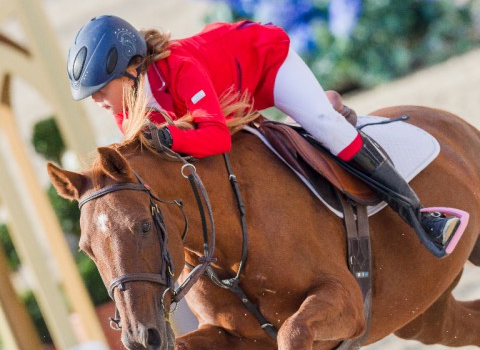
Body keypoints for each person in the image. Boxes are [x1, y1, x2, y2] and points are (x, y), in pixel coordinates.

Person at [67, 15, 464, 256]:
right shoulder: (127, 111)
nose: (98, 99)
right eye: (92, 95)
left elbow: (216, 138)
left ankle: (420, 214)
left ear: (134, 67)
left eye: (101, 88)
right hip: (232, 94)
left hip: (267, 65)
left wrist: (170, 139)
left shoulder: (180, 68)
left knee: (326, 126)